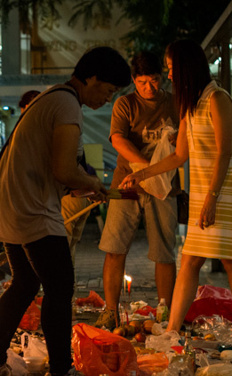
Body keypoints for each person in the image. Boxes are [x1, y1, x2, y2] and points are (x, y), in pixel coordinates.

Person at [0, 46, 131, 376]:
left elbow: (58, 168)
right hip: (30, 206)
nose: (107, 100)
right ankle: (62, 371)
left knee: (24, 283)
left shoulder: (52, 98)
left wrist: (85, 186)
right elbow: (64, 169)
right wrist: (93, 182)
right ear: (90, 78)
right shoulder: (66, 104)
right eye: (107, 90)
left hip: (10, 202)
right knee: (60, 286)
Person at [121, 40, 232, 352]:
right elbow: (179, 155)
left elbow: (224, 153)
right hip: (203, 194)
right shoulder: (191, 103)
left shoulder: (217, 98)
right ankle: (173, 330)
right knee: (190, 261)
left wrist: (212, 197)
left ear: (186, 67)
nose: (168, 76)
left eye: (171, 69)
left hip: (223, 192)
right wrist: (141, 174)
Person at [95, 51, 180, 329]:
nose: (149, 87)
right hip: (127, 183)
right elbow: (118, 140)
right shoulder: (125, 104)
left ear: (161, 79)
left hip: (164, 188)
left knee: (164, 251)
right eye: (142, 82)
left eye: (154, 80)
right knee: (114, 247)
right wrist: (145, 169)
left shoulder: (175, 103)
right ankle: (110, 310)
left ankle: (165, 310)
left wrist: (156, 173)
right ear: (134, 80)